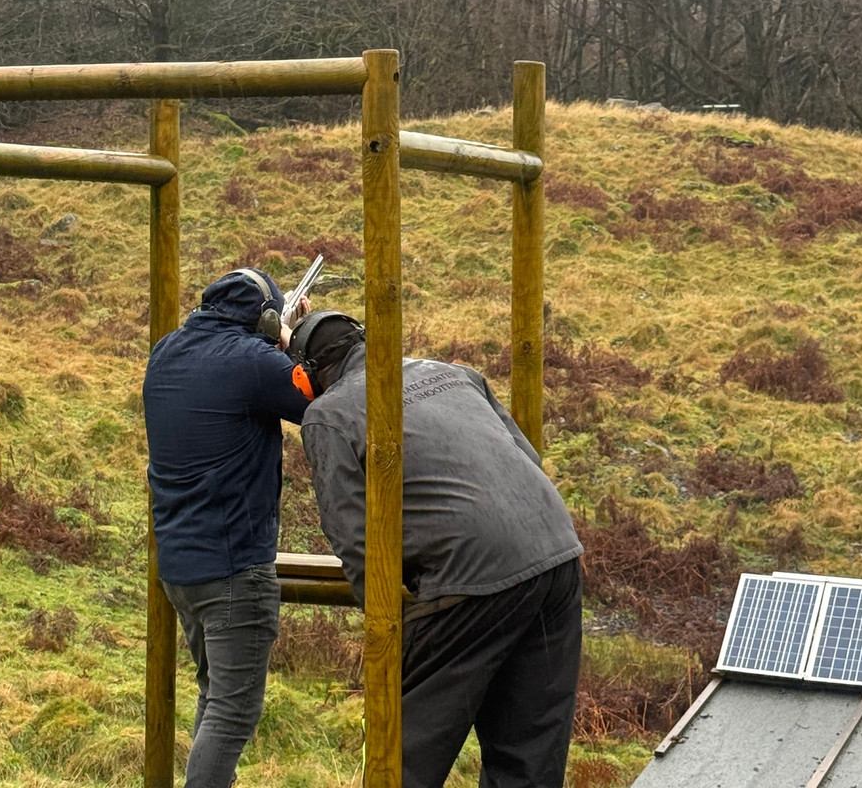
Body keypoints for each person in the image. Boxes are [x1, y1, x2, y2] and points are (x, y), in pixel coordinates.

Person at [288, 310, 585, 788]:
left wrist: (391, 621)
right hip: (557, 554)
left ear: (305, 378)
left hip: (468, 578)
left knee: (402, 761)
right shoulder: (454, 373)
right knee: (528, 763)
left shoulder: (328, 415)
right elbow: (526, 457)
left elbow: (354, 537)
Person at [143, 268, 310, 788]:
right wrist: (293, 339)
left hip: (181, 570)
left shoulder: (166, 351)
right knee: (233, 715)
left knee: (214, 698)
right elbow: (318, 399)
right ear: (263, 317)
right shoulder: (253, 361)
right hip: (234, 569)